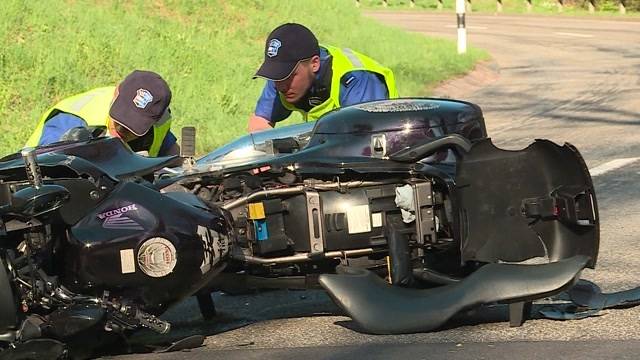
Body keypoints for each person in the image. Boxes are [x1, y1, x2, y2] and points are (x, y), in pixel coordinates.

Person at [248, 23, 398, 133]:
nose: (281, 86)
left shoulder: (356, 79)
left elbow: (366, 141)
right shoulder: (281, 77)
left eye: (288, 76)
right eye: (276, 76)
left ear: (314, 64)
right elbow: (260, 123)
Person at [26, 70, 180, 157]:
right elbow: (46, 167)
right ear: (116, 94)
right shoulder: (75, 119)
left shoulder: (160, 122)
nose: (122, 129)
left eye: (133, 125)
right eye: (121, 118)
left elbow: (171, 152)